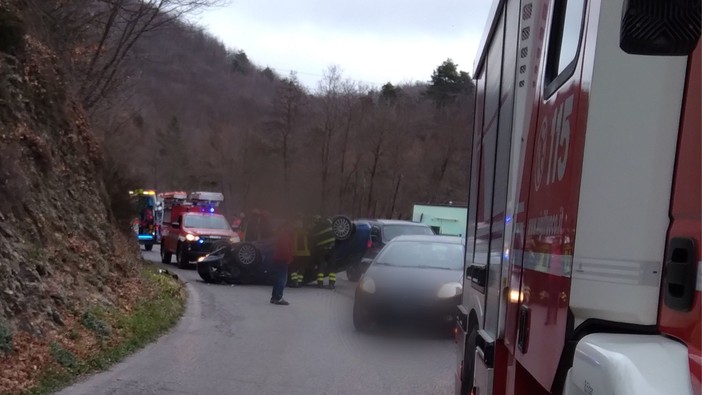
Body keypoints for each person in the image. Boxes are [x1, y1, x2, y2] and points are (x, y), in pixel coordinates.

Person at [270, 219, 295, 305]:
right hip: (282, 260)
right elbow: (285, 249)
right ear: (287, 226)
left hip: (278, 259)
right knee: (282, 280)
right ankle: (278, 297)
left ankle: (274, 297)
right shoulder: (285, 235)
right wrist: (289, 258)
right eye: (291, 226)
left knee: (278, 279)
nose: (292, 228)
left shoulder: (282, 234)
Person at [311, 215, 337, 289]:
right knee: (332, 266)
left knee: (321, 266)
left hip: (321, 250)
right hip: (332, 248)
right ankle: (331, 284)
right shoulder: (328, 223)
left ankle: (320, 283)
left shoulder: (315, 228)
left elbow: (312, 240)